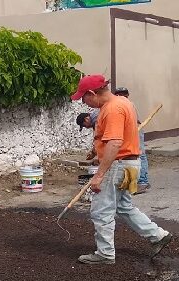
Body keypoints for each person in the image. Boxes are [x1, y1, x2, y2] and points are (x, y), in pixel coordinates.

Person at [70, 74, 172, 264]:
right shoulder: (123, 103)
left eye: (84, 97)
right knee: (124, 207)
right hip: (130, 164)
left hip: (118, 164)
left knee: (101, 210)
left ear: (92, 92)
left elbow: (115, 142)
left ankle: (105, 253)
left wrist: (99, 175)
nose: (84, 103)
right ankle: (158, 235)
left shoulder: (113, 108)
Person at [112, 87, 150, 194]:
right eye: (120, 95)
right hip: (130, 130)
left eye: (124, 95)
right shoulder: (122, 104)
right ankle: (134, 181)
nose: (122, 97)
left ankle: (143, 182)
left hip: (136, 130)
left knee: (140, 154)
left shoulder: (128, 104)